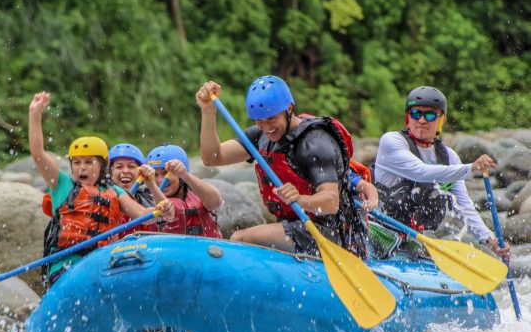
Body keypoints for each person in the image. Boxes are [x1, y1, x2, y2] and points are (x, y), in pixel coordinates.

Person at [196, 76, 370, 257]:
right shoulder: (261, 136)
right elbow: (212, 158)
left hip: (328, 233)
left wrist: (301, 199)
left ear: (289, 109)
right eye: (259, 121)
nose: (266, 127)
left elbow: (331, 202)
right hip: (293, 227)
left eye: (271, 119)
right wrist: (208, 111)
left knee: (240, 238)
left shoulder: (314, 142)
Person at [28, 91, 174, 285]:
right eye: (77, 162)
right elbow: (38, 154)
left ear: (103, 164)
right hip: (65, 267)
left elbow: (143, 215)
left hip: (101, 265)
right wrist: (35, 114)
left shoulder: (115, 192)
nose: (82, 168)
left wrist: (160, 210)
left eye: (89, 162)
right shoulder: (62, 184)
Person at [374, 85, 509, 259]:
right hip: (378, 232)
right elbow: (420, 172)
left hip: (412, 241)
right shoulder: (392, 142)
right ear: (408, 117)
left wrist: (491, 240)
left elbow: (464, 207)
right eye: (416, 114)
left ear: (442, 120)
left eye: (430, 115)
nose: (422, 120)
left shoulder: (448, 157)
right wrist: (470, 168)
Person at [145, 144, 223, 238]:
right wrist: (153, 187)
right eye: (155, 175)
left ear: (181, 176)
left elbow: (216, 202)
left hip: (205, 249)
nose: (160, 180)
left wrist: (185, 175)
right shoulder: (147, 201)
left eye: (166, 173)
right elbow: (165, 210)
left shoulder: (198, 192)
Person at [108, 143, 167, 236]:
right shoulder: (102, 197)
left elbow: (166, 214)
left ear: (140, 172)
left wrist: (151, 183)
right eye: (119, 167)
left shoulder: (147, 200)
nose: (125, 171)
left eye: (131, 166)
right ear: (110, 173)